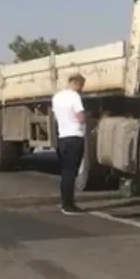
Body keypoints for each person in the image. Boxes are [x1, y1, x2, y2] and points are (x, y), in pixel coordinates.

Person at [51, 73, 87, 214]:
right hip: (75, 137)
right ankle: (68, 205)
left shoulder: (57, 97)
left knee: (66, 172)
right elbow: (80, 116)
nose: (81, 89)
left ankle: (65, 202)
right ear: (77, 83)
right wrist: (85, 120)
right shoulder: (74, 96)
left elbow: (56, 117)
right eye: (81, 86)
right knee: (71, 172)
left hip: (63, 138)